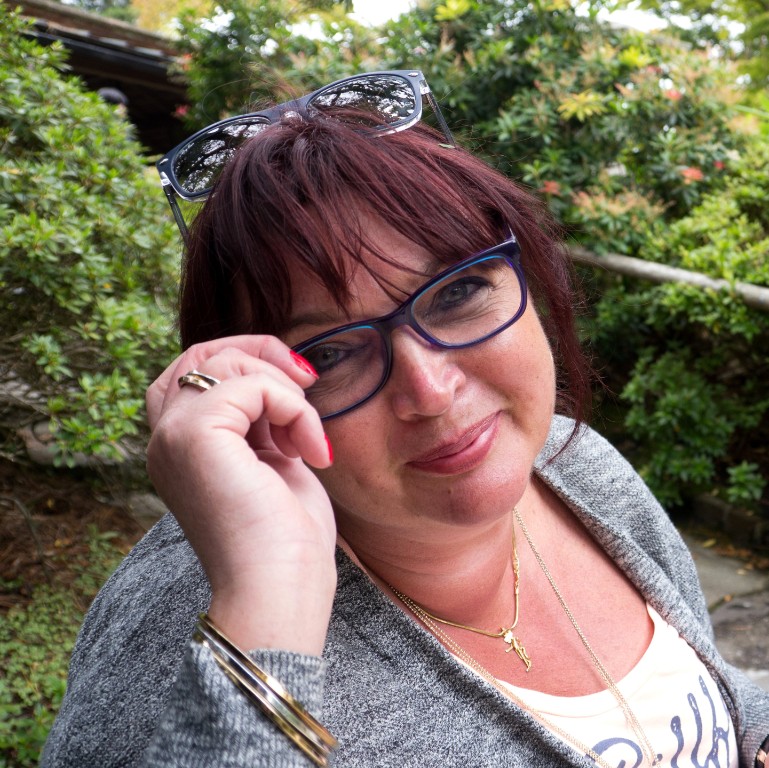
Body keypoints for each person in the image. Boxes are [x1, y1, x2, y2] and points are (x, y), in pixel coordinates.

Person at [42, 70, 769, 768]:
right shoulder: (179, 640)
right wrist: (269, 600)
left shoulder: (572, 464)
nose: (430, 391)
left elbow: (709, 692)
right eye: (329, 354)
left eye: (456, 293)